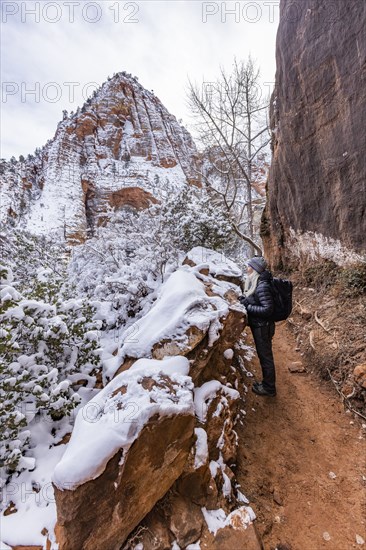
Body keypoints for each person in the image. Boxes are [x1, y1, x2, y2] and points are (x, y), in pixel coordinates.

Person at [239, 256, 277, 397]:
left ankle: (269, 388)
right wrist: (245, 300)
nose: (247, 268)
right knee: (265, 356)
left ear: (255, 269)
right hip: (261, 326)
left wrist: (248, 306)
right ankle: (267, 384)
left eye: (249, 266)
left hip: (263, 327)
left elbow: (268, 309)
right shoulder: (257, 282)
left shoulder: (262, 285)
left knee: (265, 357)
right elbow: (255, 298)